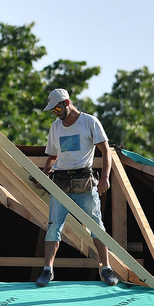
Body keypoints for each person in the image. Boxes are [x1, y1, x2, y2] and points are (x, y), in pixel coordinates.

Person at [37, 88, 120, 287]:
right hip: (61, 182)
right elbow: (52, 157)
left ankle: (106, 268)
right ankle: (47, 270)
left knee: (96, 226)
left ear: (66, 103)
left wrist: (105, 179)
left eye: (56, 109)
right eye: (52, 111)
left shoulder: (89, 122)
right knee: (53, 226)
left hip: (85, 181)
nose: (55, 114)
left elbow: (105, 151)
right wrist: (43, 175)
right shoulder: (56, 127)